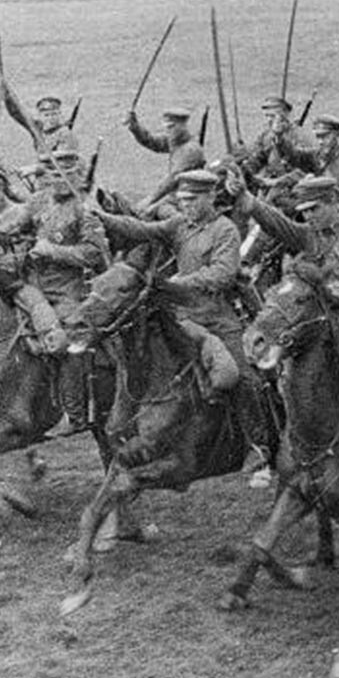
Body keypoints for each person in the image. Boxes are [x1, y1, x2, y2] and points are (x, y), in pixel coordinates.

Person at [92, 168, 274, 485]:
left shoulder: (225, 230)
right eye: (182, 199)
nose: (185, 204)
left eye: (191, 199)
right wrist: (103, 217)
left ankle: (258, 448)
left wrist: (178, 283)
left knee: (243, 376)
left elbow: (223, 274)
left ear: (210, 197)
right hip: (182, 317)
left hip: (217, 317)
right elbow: (141, 229)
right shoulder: (179, 225)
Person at [0, 150, 111, 436]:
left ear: (76, 176)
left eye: (63, 174)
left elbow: (94, 253)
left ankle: (74, 414)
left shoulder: (85, 208)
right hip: (31, 286)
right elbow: (14, 224)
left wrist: (53, 251)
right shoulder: (39, 201)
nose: (56, 180)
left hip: (69, 290)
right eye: (51, 174)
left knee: (66, 343)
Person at [228, 172, 339, 336]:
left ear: (333, 201)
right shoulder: (307, 235)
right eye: (304, 211)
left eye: (314, 209)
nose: (308, 216)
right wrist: (248, 199)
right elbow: (277, 224)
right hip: (323, 326)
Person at [123, 106, 206, 210]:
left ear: (182, 127)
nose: (168, 131)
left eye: (171, 127)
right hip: (175, 194)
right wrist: (135, 126)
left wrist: (150, 200)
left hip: (188, 198)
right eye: (167, 127)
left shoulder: (191, 150)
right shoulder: (176, 141)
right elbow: (151, 141)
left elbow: (172, 180)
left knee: (153, 211)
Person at [270, 114, 339, 202]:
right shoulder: (318, 155)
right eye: (318, 137)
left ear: (337, 135)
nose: (320, 141)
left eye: (325, 136)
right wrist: (279, 138)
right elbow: (294, 156)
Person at [1, 83, 79, 160]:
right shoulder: (38, 129)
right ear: (40, 116)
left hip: (57, 170)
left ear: (60, 114)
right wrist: (8, 96)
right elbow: (18, 114)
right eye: (47, 115)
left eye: (54, 114)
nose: (51, 118)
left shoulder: (65, 133)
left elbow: (66, 161)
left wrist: (42, 161)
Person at [240, 96, 309, 181]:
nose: (269, 120)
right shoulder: (265, 136)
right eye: (267, 116)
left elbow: (301, 159)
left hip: (294, 180)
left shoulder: (298, 134)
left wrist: (279, 138)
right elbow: (257, 157)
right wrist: (246, 169)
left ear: (285, 116)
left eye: (272, 116)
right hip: (271, 179)